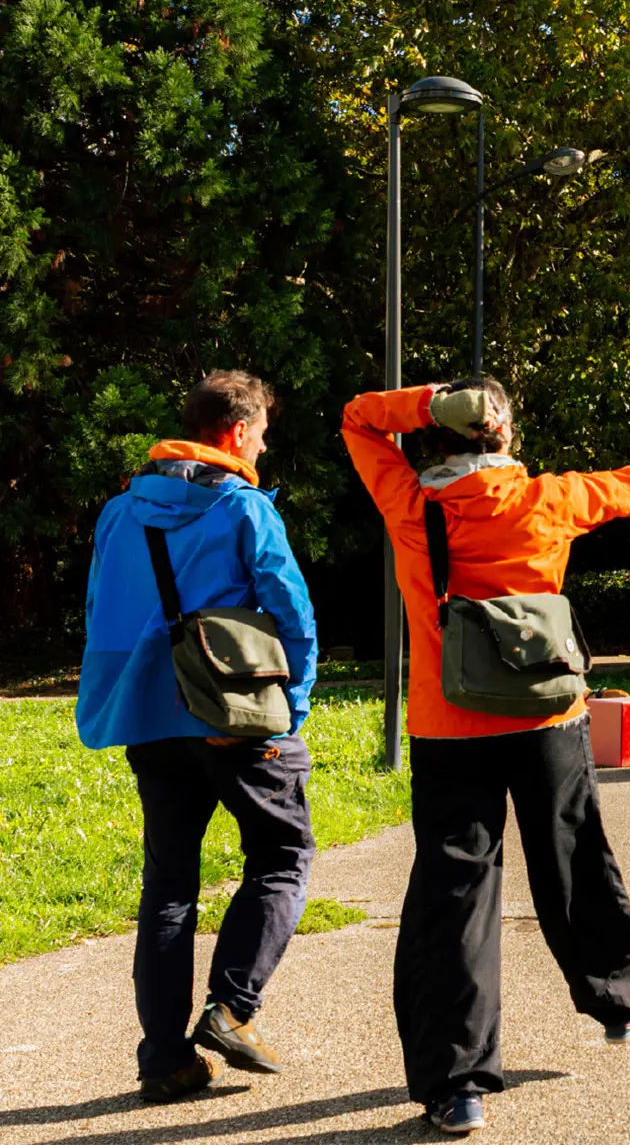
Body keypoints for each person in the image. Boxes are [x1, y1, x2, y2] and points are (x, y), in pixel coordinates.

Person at [342, 375, 630, 1136]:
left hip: (448, 725)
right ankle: (619, 1001)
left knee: (453, 895)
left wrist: (428, 402)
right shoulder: (550, 498)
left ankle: (457, 1088)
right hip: (548, 717)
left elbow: (358, 419)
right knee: (573, 858)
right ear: (505, 437)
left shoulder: (410, 503)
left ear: (438, 435)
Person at [76, 370, 318, 1104]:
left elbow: (98, 612)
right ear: (238, 433)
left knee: (170, 889)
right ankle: (233, 1009)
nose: (264, 447)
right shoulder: (245, 509)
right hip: (233, 720)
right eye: (264, 435)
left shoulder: (121, 512)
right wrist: (291, 708)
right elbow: (292, 615)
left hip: (149, 720)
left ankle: (164, 1060)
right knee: (283, 853)